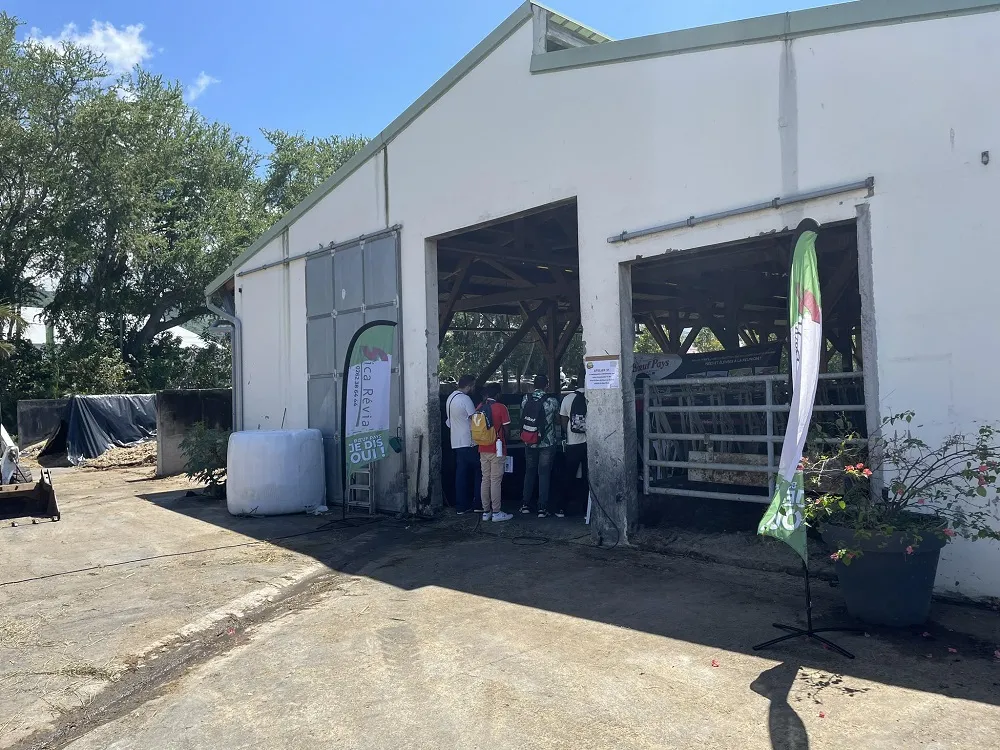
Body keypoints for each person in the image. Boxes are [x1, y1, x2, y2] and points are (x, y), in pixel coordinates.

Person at [519, 374, 560, 518]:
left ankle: (525, 504)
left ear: (534, 385)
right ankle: (542, 507)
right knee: (544, 474)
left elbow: (522, 417)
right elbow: (557, 420)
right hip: (547, 442)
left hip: (529, 441)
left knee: (529, 472)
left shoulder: (526, 399)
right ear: (547, 385)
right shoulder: (552, 401)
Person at [477, 383, 512, 522]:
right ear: (498, 394)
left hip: (482, 447)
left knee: (485, 479)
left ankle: (486, 512)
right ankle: (496, 512)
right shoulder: (501, 407)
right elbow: (507, 430)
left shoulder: (480, 407)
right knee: (495, 480)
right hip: (497, 448)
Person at [445, 375, 480, 514]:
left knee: (461, 474)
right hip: (468, 441)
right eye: (473, 386)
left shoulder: (450, 398)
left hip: (456, 441)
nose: (474, 388)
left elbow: (449, 422)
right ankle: (478, 503)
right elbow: (475, 419)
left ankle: (461, 505)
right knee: (480, 469)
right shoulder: (465, 399)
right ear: (469, 386)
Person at [559, 378, 587, 516]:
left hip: (573, 442)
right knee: (588, 477)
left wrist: (568, 434)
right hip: (590, 443)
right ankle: (587, 510)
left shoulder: (568, 398)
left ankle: (562, 508)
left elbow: (563, 420)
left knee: (569, 475)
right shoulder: (592, 397)